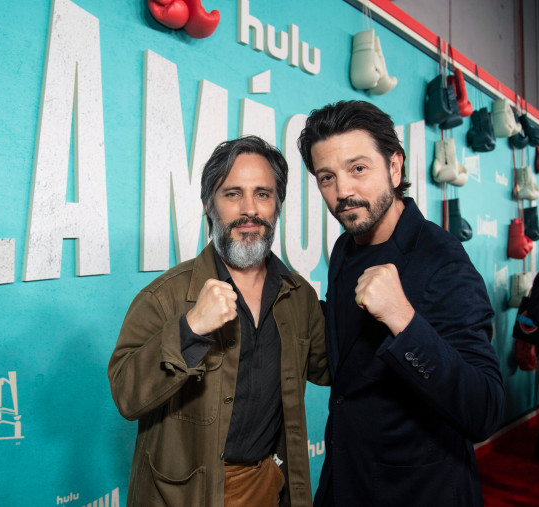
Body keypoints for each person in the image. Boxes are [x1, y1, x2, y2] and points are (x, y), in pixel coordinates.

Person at [297, 100, 505, 506]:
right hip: (346, 482)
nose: (343, 192)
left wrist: (403, 320)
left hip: (417, 493)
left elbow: (486, 410)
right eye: (327, 177)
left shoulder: (441, 259)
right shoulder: (345, 247)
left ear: (394, 167)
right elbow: (352, 364)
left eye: (358, 169)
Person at [108, 135, 329, 506]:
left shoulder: (299, 296)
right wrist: (190, 329)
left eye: (262, 194)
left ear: (277, 205)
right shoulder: (164, 297)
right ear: (209, 204)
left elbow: (330, 368)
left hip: (264, 487)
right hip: (181, 496)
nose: (249, 209)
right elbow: (126, 397)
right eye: (232, 194)